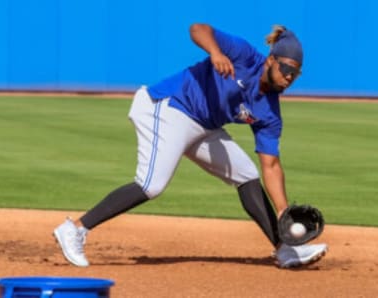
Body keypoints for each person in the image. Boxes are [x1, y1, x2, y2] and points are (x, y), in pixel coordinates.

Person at [53, 23, 328, 268]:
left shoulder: (269, 113)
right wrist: (216, 53)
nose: (290, 77)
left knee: (247, 174)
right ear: (271, 60)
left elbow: (271, 164)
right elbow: (198, 28)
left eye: (296, 73)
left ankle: (285, 249)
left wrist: (282, 210)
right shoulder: (244, 55)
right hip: (168, 107)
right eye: (287, 68)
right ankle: (75, 229)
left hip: (203, 127)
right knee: (151, 185)